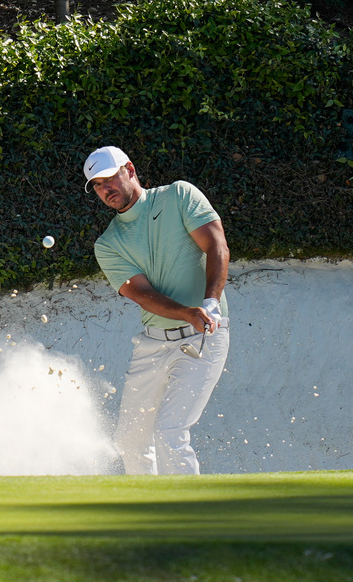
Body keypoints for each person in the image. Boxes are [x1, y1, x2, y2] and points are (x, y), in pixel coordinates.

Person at [84, 145, 230, 475]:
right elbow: (143, 294)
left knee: (169, 433)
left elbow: (216, 244)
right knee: (130, 440)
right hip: (152, 344)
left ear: (130, 170)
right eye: (97, 185)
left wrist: (210, 302)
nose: (105, 189)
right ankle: (148, 506)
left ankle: (188, 509)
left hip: (203, 337)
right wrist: (186, 312)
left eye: (110, 178)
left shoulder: (179, 196)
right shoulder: (108, 244)